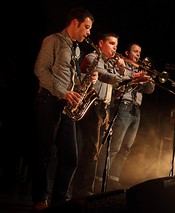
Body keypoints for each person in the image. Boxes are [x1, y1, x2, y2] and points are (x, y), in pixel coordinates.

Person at [31, 7, 96, 211]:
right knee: (44, 154)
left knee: (70, 157)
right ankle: (40, 199)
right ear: (74, 22)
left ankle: (60, 199)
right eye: (86, 27)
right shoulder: (52, 40)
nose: (88, 32)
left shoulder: (76, 49)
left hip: (66, 105)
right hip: (48, 101)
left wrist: (86, 79)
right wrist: (63, 92)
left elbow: (71, 78)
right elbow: (40, 70)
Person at [72, 32, 128, 198]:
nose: (114, 48)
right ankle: (82, 192)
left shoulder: (110, 64)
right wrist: (124, 75)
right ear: (101, 43)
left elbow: (117, 89)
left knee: (94, 152)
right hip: (91, 107)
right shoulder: (92, 57)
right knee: (90, 151)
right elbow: (106, 77)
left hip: (104, 108)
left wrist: (122, 70)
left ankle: (85, 190)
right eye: (111, 44)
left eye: (116, 45)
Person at [105, 42, 155, 190]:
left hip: (136, 110)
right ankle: (101, 178)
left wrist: (148, 78)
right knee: (115, 146)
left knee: (126, 147)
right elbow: (119, 83)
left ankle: (114, 177)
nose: (138, 55)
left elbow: (150, 90)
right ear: (127, 52)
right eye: (135, 51)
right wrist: (136, 78)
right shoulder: (123, 66)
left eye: (139, 52)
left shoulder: (141, 69)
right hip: (124, 105)